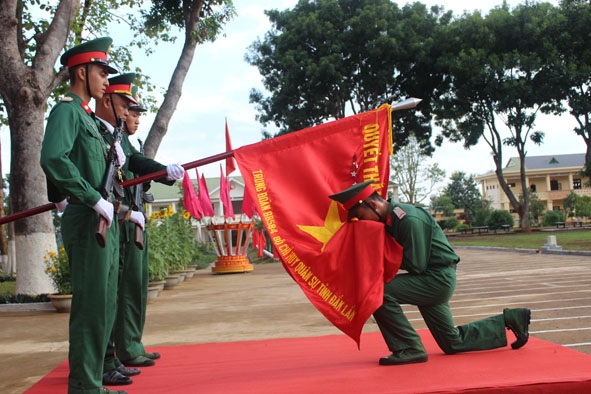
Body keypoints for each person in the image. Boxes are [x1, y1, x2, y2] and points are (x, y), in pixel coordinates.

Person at [328, 180, 531, 366]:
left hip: (436, 278)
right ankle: (511, 319)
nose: (362, 223)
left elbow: (415, 264)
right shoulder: (391, 220)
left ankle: (409, 348)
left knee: (377, 293)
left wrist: (375, 262)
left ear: (372, 205)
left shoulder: (408, 219)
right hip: (432, 278)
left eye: (361, 217)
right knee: (452, 342)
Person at [40, 37, 128, 394]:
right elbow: (53, 158)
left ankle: (93, 382)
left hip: (102, 217)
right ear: (81, 71)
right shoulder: (66, 111)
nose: (107, 79)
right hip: (86, 217)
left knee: (104, 304)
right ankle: (85, 387)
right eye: (101, 71)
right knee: (91, 306)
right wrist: (90, 198)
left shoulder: (89, 120)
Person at [96, 74, 185, 385]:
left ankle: (123, 350)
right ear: (108, 102)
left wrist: (164, 172)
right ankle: (108, 358)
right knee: (108, 295)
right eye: (127, 108)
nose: (129, 116)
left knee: (131, 288)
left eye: (132, 111)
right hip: (110, 218)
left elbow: (136, 162)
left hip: (126, 217)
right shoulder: (96, 131)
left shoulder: (121, 140)